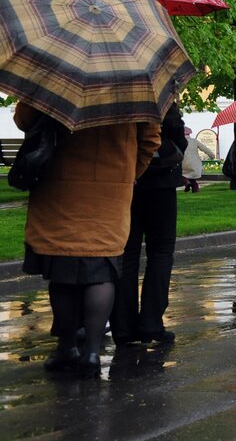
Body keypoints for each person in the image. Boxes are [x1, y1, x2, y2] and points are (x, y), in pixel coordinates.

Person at [17, 103, 160, 378]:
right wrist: (128, 175)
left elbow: (26, 121)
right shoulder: (133, 87)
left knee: (62, 266)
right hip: (110, 191)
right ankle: (92, 351)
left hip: (59, 184)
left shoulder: (58, 74)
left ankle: (67, 347)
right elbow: (151, 139)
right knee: (102, 268)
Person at [112, 102, 186, 345]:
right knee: (161, 252)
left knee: (128, 253)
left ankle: (123, 325)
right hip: (160, 180)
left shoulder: (111, 96)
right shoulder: (156, 95)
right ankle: (151, 322)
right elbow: (176, 133)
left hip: (126, 179)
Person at [180, 127, 215, 192]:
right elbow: (205, 148)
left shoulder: (179, 141)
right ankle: (195, 189)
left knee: (181, 174)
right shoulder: (194, 141)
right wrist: (212, 155)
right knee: (192, 176)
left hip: (184, 163)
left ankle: (187, 182)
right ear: (189, 133)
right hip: (195, 163)